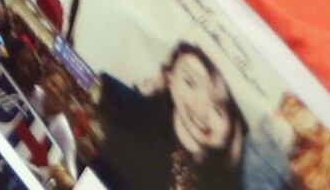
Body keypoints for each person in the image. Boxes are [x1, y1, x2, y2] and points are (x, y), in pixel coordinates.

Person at [93, 42, 250, 190]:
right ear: (170, 77)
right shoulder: (116, 102)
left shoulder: (227, 182)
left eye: (218, 108)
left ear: (234, 126)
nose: (201, 111)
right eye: (190, 83)